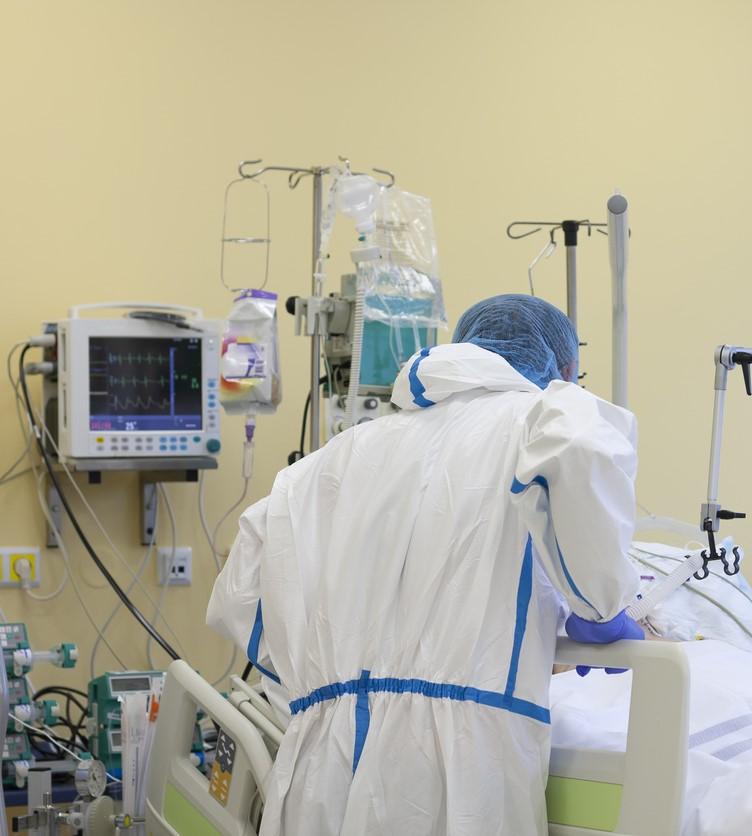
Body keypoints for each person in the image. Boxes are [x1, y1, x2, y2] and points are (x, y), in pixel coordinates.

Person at [207, 293, 644, 835]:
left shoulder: (334, 457)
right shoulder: (545, 415)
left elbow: (242, 592)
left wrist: (318, 690)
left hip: (323, 756)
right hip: (461, 762)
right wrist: (600, 604)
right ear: (568, 369)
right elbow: (582, 447)